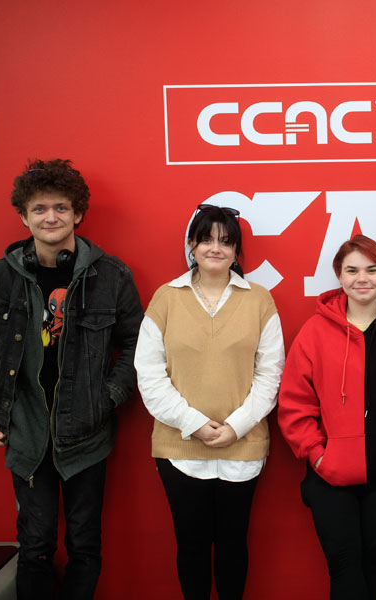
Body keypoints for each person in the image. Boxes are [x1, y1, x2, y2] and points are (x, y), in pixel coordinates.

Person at [0, 158, 143, 599]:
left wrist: (107, 397)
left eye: (61, 208)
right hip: (26, 433)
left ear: (78, 213)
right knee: (35, 546)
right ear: (23, 216)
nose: (51, 217)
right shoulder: (2, 275)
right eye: (40, 209)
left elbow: (138, 344)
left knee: (84, 544)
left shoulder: (111, 275)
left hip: (87, 433)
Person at [135, 204, 284, 600]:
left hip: (243, 447)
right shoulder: (166, 298)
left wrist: (237, 426)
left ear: (236, 251)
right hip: (180, 448)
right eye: (206, 240)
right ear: (191, 245)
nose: (216, 248)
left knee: (234, 544)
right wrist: (194, 424)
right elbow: (149, 374)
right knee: (192, 544)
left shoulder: (259, 300)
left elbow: (270, 374)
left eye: (226, 241)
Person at [277, 234, 376, 600]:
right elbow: (295, 401)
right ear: (339, 275)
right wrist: (316, 454)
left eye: (371, 270)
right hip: (328, 474)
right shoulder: (314, 331)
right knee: (344, 565)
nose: (362, 278)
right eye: (352, 270)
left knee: (374, 562)